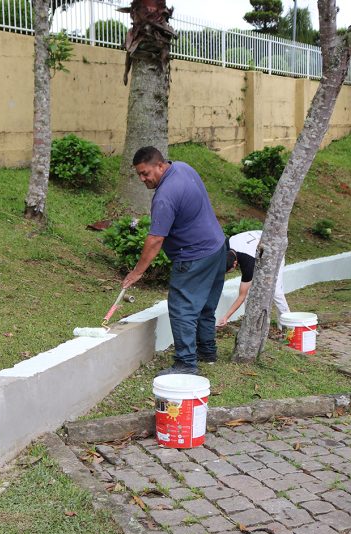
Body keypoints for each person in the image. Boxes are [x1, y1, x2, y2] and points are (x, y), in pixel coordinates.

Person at [122, 146, 226, 376]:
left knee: (182, 309)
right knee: (206, 305)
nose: (142, 179)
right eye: (138, 174)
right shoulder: (182, 167)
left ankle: (186, 363)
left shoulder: (165, 196)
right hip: (217, 247)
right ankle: (207, 351)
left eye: (145, 173)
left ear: (160, 165)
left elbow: (156, 239)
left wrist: (137, 272)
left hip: (194, 255)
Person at [217, 230, 290, 328]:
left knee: (276, 291)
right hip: (259, 244)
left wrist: (226, 317)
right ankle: (250, 324)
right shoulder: (224, 246)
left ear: (235, 264)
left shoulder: (248, 262)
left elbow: (242, 295)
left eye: (229, 271)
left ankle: (288, 326)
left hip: (275, 246)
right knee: (250, 289)